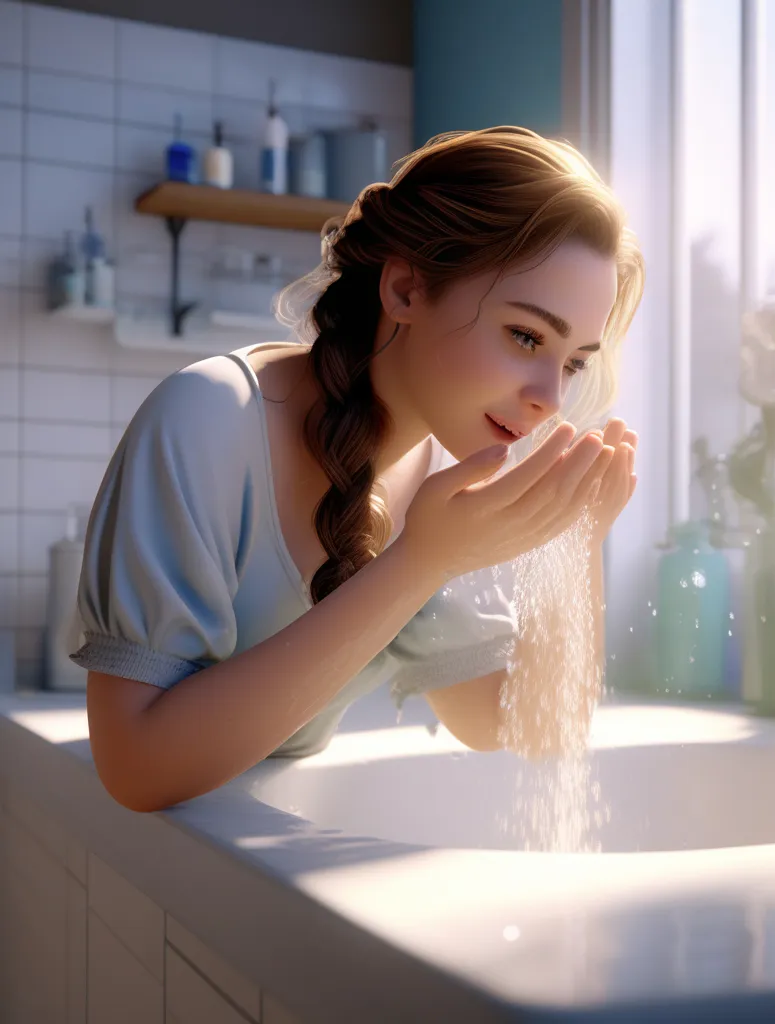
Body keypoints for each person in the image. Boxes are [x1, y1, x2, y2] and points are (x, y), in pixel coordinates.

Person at [72, 126, 645, 814]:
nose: (550, 398)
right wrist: (420, 561)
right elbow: (136, 770)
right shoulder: (208, 419)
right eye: (526, 336)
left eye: (574, 362)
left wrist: (572, 538)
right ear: (405, 287)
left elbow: (518, 728)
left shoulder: (445, 475)